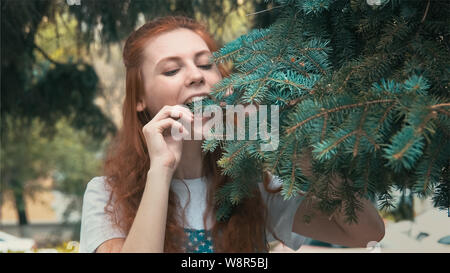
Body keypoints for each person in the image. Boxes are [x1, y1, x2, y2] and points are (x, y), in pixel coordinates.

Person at [79, 16, 385, 253]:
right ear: (139, 99)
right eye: (172, 70)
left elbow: (367, 233)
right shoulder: (107, 195)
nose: (197, 75)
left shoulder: (256, 184)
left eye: (206, 63)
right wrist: (161, 169)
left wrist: (296, 149)